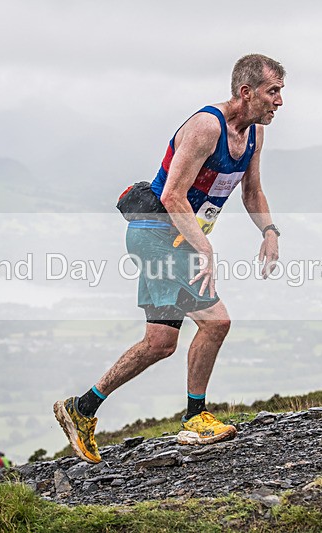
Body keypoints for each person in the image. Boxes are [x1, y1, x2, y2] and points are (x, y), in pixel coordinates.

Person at [55, 54, 285, 463]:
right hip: (158, 233)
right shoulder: (205, 127)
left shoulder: (253, 135)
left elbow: (253, 191)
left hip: (177, 237)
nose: (279, 101)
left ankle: (81, 408)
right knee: (217, 322)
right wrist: (205, 248)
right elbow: (172, 195)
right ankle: (195, 419)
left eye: (280, 92)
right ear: (246, 92)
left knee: (160, 342)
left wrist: (268, 231)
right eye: (273, 91)